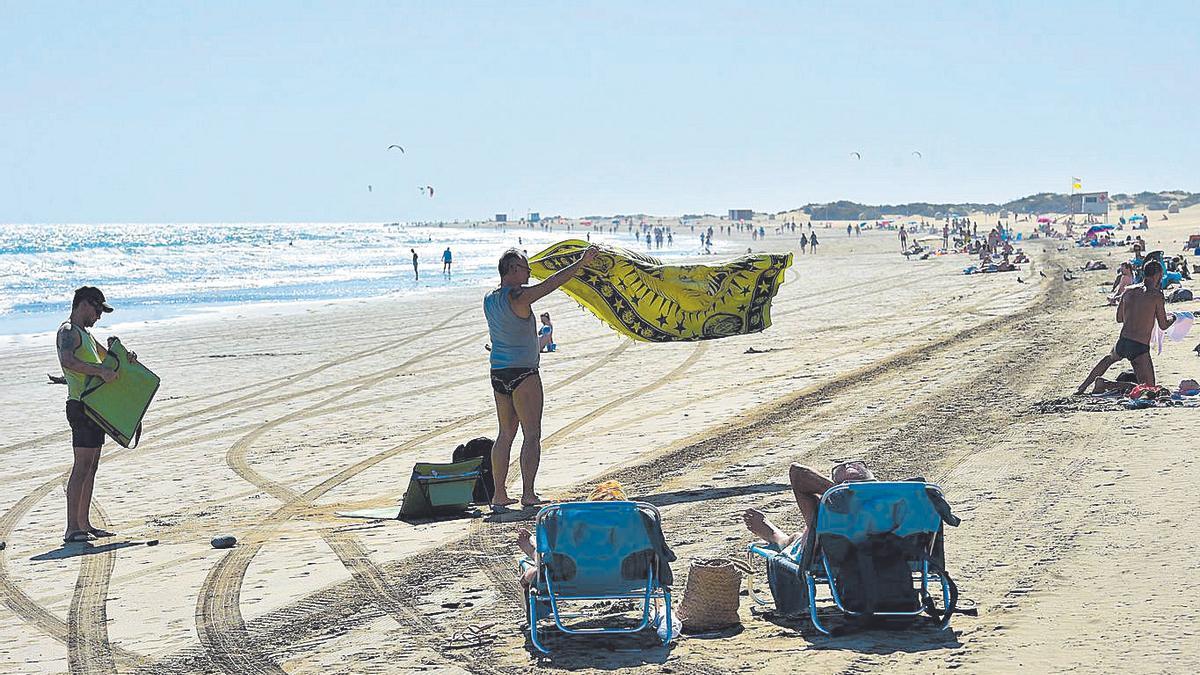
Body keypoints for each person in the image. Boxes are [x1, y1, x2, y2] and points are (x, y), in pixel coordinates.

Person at [485, 246, 598, 509]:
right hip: (523, 373)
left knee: (505, 434)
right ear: (513, 269)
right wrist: (581, 263)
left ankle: (499, 495)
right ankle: (528, 494)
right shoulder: (518, 296)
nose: (529, 272)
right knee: (532, 433)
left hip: (499, 372)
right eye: (525, 268)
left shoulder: (489, 298)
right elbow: (553, 283)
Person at [57, 287, 137, 543]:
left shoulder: (87, 336)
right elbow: (67, 361)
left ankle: (85, 523)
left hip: (95, 408)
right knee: (81, 466)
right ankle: (72, 528)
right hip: (80, 406)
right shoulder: (68, 332)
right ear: (83, 304)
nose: (99, 316)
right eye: (97, 309)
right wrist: (99, 372)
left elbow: (110, 360)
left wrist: (125, 356)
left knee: (91, 467)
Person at [1077, 260, 1175, 393]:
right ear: (1158, 275)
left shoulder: (1128, 291)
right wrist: (1174, 318)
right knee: (1150, 389)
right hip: (1140, 346)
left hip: (1123, 340)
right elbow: (1163, 325)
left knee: (1108, 359)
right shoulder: (1156, 296)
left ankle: (1082, 387)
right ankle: (1107, 384)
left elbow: (1119, 319)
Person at [742, 461, 875, 553]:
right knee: (800, 538)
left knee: (799, 540)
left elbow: (797, 473)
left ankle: (777, 537)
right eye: (843, 466)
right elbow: (798, 473)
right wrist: (840, 494)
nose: (848, 465)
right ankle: (778, 537)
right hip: (846, 545)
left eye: (857, 465)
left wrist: (841, 493)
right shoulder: (830, 509)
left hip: (874, 552)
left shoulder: (893, 498)